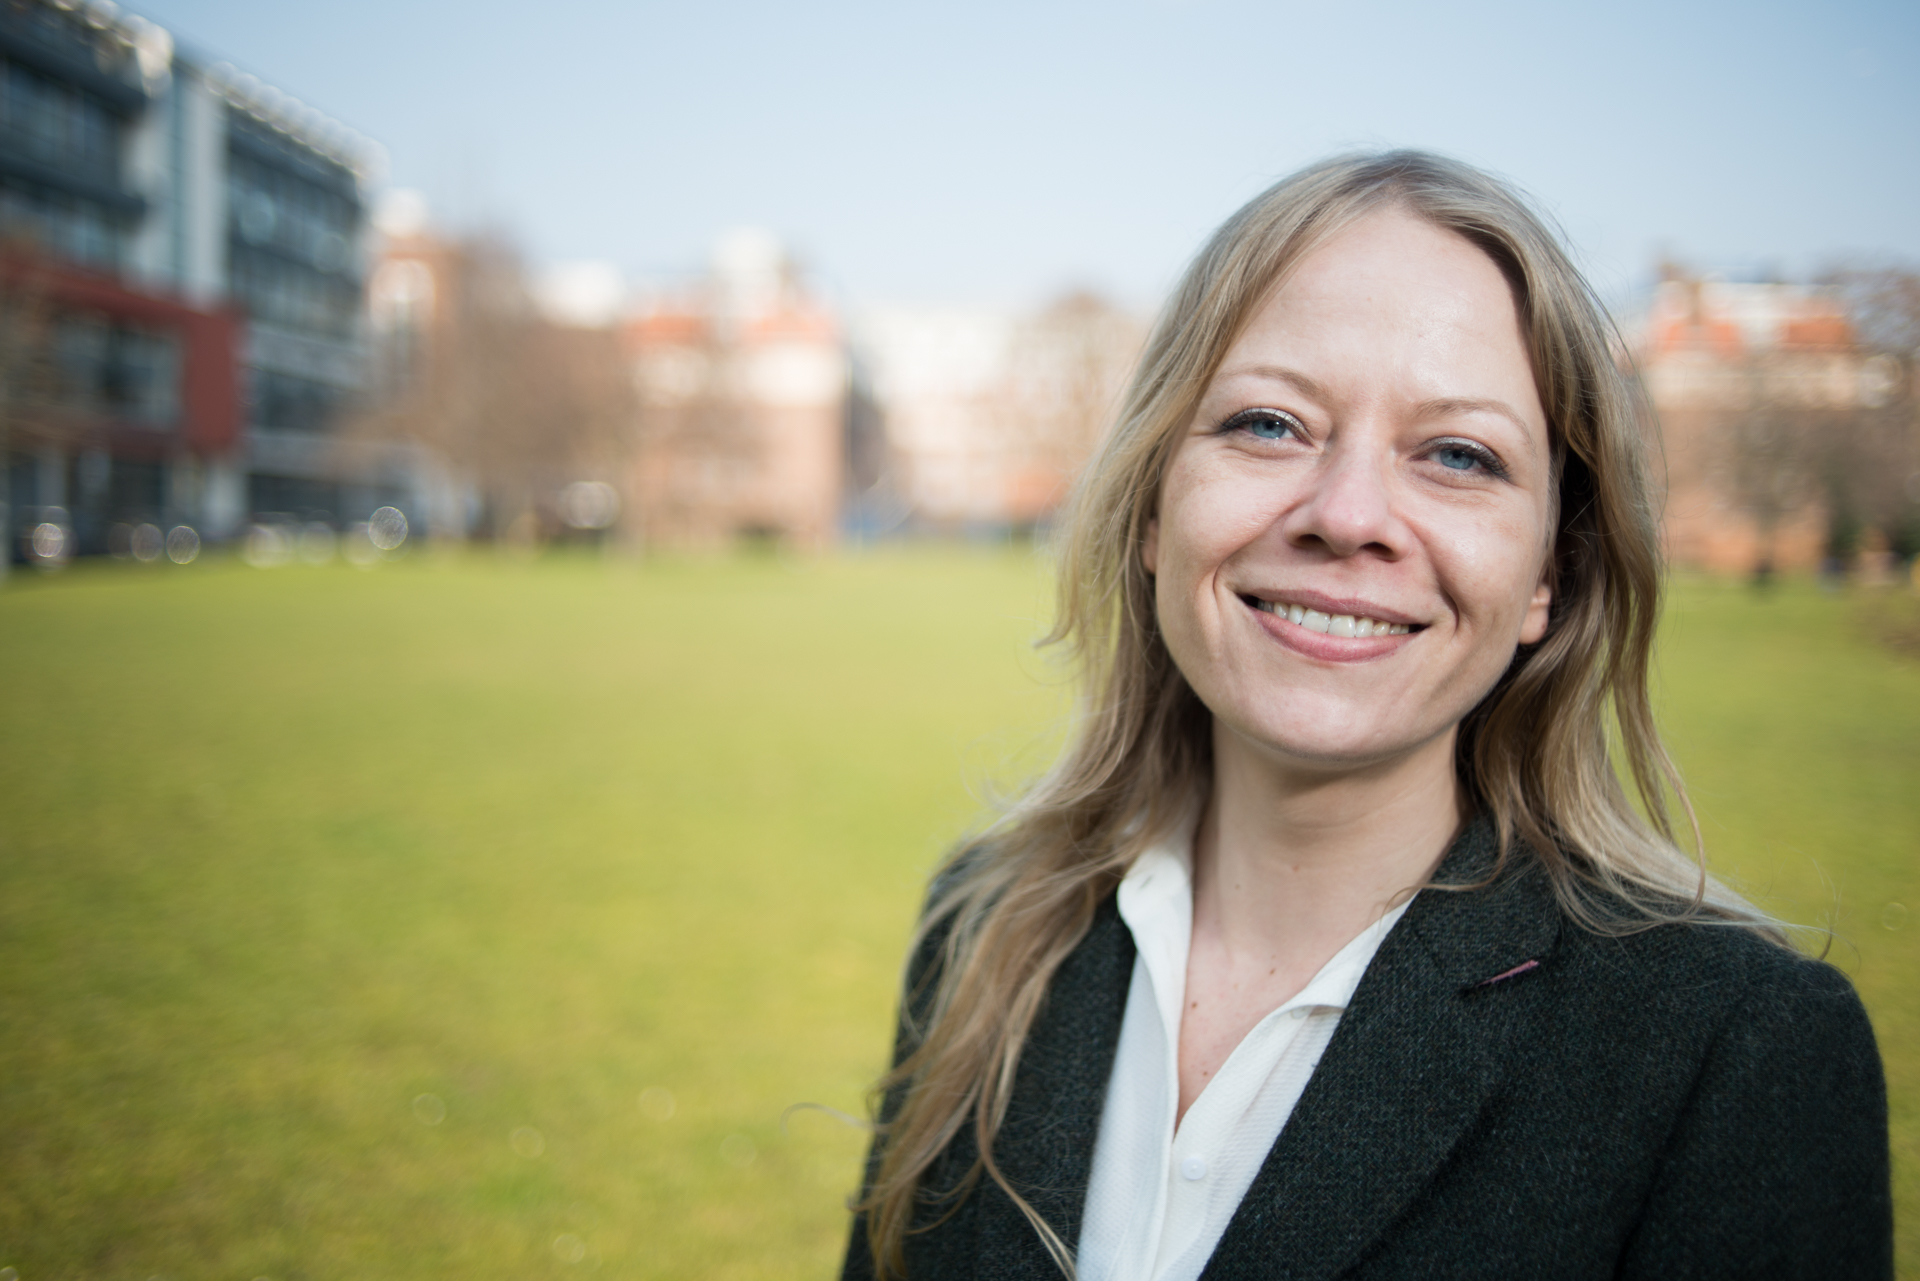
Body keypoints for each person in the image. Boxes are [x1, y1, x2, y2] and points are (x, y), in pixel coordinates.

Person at [841, 151, 1891, 1281]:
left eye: (1458, 454)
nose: (1348, 517)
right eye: (1270, 426)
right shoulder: (988, 926)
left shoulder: (1733, 1055)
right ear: (1152, 508)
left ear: (1551, 572)